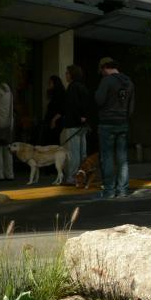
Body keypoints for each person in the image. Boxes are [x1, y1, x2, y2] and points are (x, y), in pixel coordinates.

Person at [94, 57, 135, 199]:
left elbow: (99, 100)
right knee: (122, 159)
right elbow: (131, 108)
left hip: (107, 123)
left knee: (107, 158)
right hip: (123, 123)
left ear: (105, 67)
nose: (102, 73)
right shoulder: (129, 82)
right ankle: (123, 190)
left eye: (102, 70)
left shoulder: (107, 81)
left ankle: (109, 191)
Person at [61, 65, 90, 184]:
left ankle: (72, 177)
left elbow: (73, 105)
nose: (66, 75)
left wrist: (78, 117)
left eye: (67, 73)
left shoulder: (72, 87)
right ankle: (82, 176)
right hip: (82, 125)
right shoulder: (83, 87)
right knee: (82, 152)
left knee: (72, 153)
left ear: (72, 74)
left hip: (72, 124)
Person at [43, 75, 64, 145]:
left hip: (56, 123)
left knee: (53, 143)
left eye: (50, 83)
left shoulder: (60, 94)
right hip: (51, 122)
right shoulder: (54, 93)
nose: (49, 84)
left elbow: (61, 109)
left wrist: (54, 120)